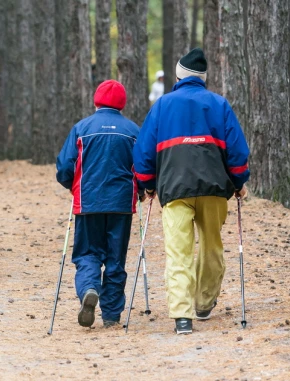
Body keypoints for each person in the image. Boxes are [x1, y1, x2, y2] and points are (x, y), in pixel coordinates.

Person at [133, 48, 250, 335]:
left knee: (178, 252)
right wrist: (238, 183)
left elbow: (144, 151)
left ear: (178, 76)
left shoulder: (162, 105)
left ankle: (182, 317)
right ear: (202, 78)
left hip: (174, 189)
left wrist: (148, 184)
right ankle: (203, 304)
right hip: (213, 189)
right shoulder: (219, 104)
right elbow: (237, 150)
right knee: (212, 246)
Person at [56, 80, 141, 329]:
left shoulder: (82, 128)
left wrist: (74, 186)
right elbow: (144, 166)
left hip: (88, 202)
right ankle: (112, 315)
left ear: (96, 101)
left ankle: (89, 289)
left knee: (87, 253)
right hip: (121, 204)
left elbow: (64, 167)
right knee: (116, 258)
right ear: (122, 104)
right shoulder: (133, 131)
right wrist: (144, 189)